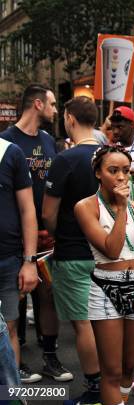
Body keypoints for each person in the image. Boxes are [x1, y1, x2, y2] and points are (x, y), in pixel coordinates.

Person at [75, 145, 134, 405]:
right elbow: (112, 251)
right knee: (111, 372)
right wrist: (123, 209)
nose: (122, 177)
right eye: (113, 171)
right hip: (105, 290)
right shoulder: (86, 207)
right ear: (98, 173)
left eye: (126, 171)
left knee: (129, 367)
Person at [0, 83, 70, 383]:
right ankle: (19, 366)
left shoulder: (48, 141)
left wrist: (52, 227)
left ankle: (51, 357)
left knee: (47, 295)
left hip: (46, 234)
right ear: (38, 105)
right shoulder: (6, 143)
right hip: (17, 238)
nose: (56, 110)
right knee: (15, 303)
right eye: (53, 104)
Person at [41, 96, 102, 404]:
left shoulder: (65, 159)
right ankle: (111, 384)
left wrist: (57, 234)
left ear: (70, 120)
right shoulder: (111, 157)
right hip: (109, 252)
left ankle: (94, 389)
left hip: (74, 251)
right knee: (105, 321)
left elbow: (48, 213)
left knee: (83, 323)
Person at [0, 136, 38, 386]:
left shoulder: (9, 152)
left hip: (8, 258)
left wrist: (29, 260)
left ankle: (11, 396)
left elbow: (28, 209)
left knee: (10, 329)